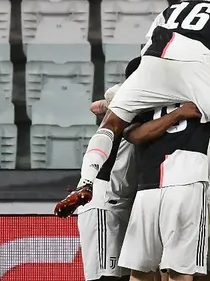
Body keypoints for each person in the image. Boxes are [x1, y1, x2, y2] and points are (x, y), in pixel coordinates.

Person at [56, 0, 210, 246]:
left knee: (111, 123)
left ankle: (85, 182)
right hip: (196, 65)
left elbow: (146, 44)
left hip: (152, 64)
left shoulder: (170, 10)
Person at [117, 100, 208, 281]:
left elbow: (132, 133)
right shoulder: (202, 90)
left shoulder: (147, 96)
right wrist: (179, 113)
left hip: (148, 186)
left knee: (140, 269)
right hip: (186, 181)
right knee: (179, 269)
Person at [77, 57, 142, 281]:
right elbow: (97, 105)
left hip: (120, 202)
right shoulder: (129, 98)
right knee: (106, 277)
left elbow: (96, 106)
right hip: (103, 202)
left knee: (121, 276)